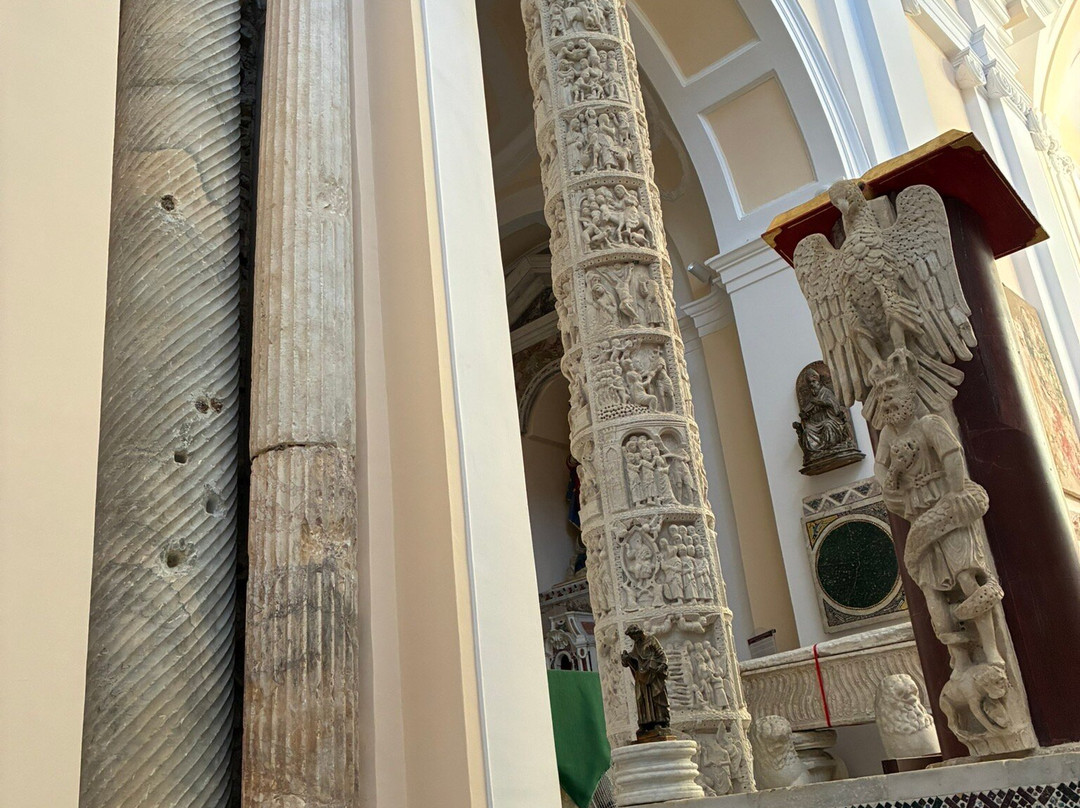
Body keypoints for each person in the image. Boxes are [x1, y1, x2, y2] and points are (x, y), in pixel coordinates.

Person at [621, 624, 671, 737]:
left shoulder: (651, 640)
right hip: (642, 675)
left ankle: (660, 722)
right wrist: (627, 659)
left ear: (638, 633)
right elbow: (636, 659)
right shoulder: (637, 644)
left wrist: (662, 665)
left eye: (633, 636)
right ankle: (646, 724)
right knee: (642, 698)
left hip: (653, 673)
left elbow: (661, 655)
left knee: (656, 697)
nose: (632, 639)